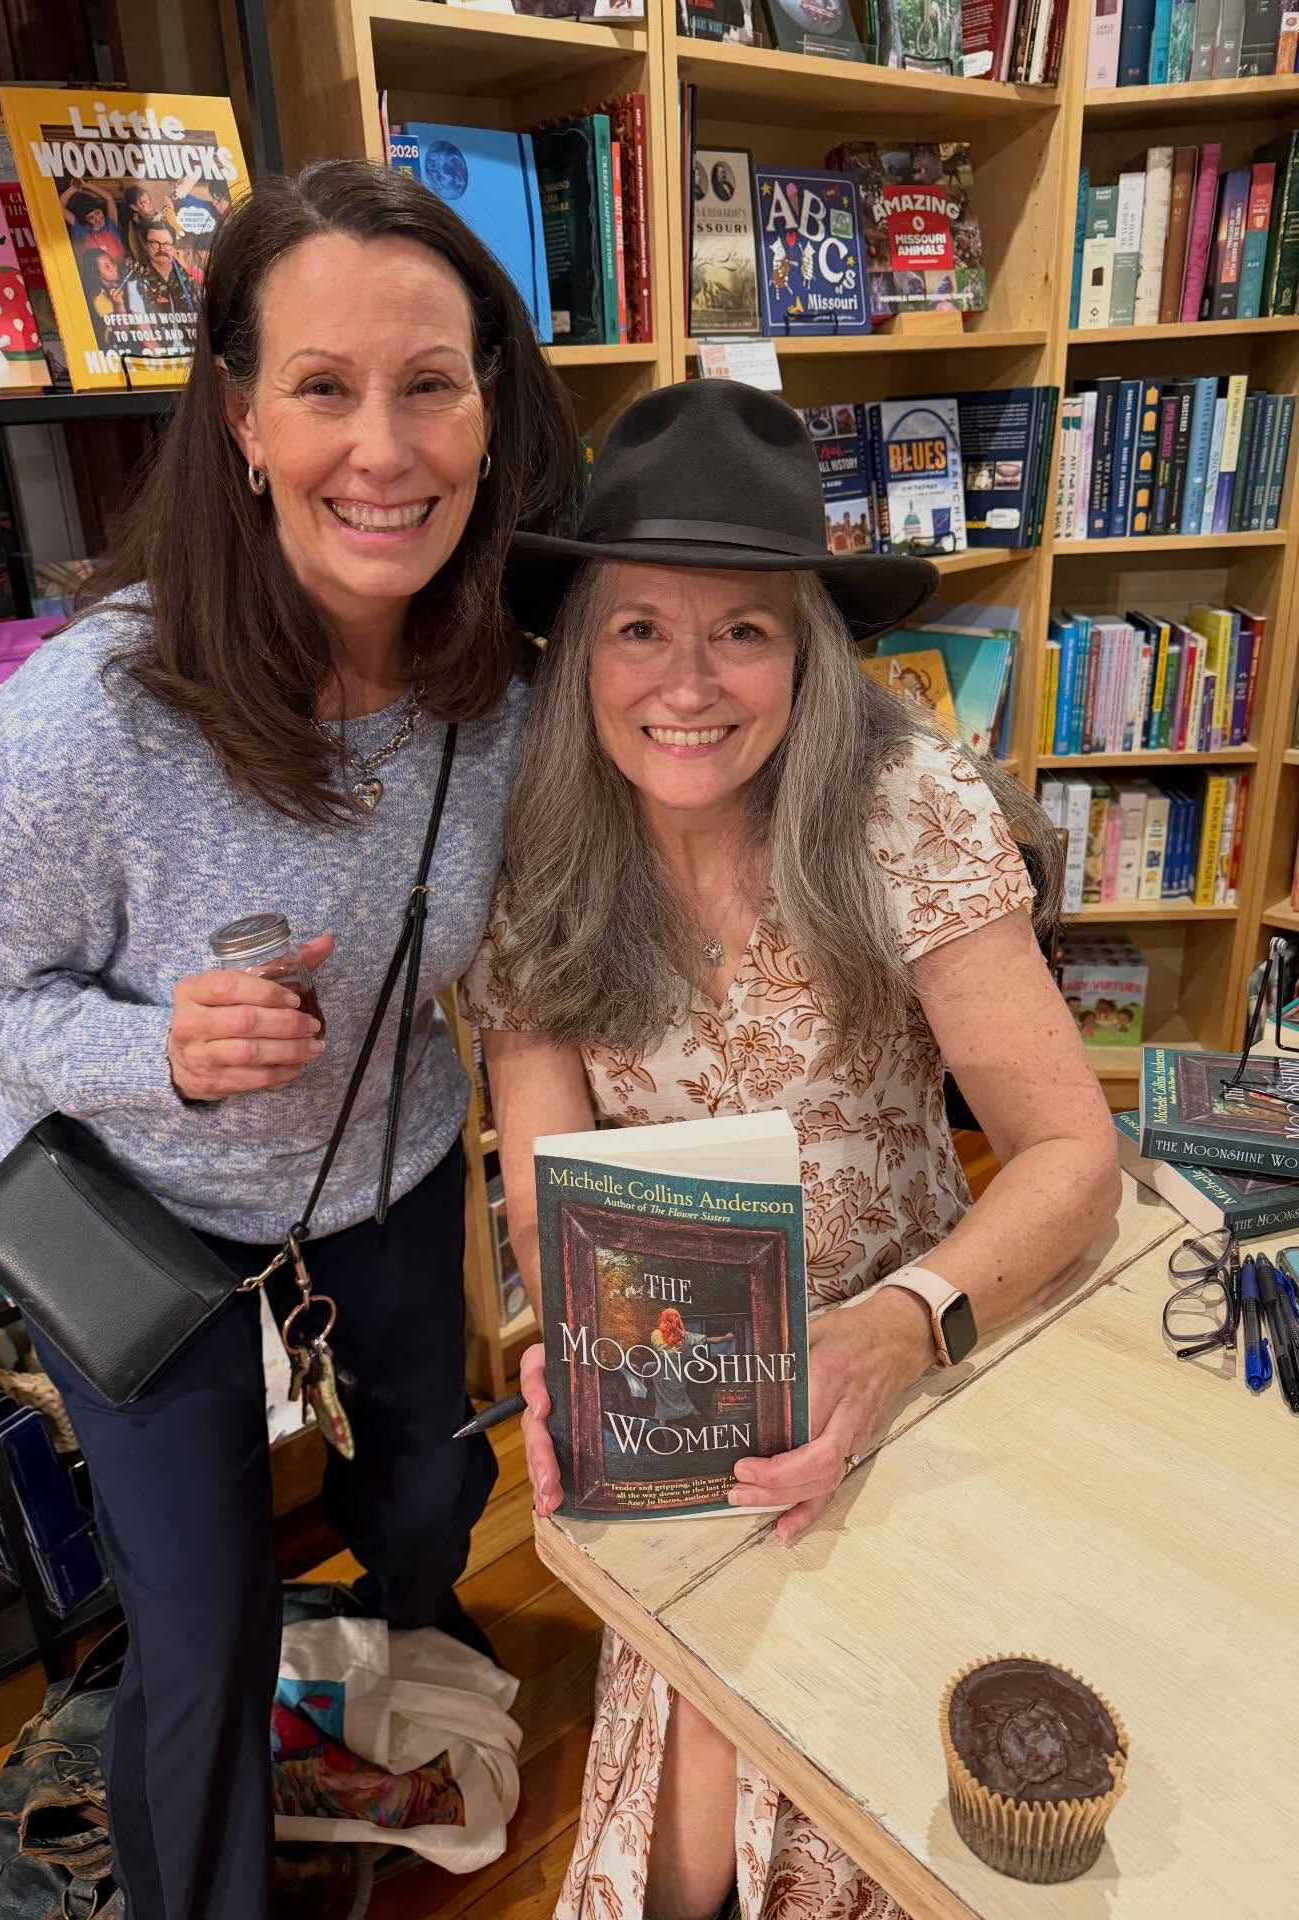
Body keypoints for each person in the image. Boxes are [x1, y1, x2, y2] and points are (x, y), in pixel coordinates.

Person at [0, 157, 574, 1920]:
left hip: (382, 1163)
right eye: (325, 388)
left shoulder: (504, 683)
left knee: (426, 1504)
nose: (386, 447)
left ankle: (398, 1673)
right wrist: (161, 1051)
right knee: (196, 1626)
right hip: (133, 1209)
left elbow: (518, 943)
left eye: (430, 383)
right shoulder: (88, 720)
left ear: (490, 408)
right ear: (239, 418)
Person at [462, 380, 1121, 1920]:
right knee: (699, 1745)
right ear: (578, 656)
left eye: (742, 631)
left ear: (807, 651)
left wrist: (896, 1335)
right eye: (639, 628)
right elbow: (556, 1207)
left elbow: (1071, 1155)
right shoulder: (536, 855)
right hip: (681, 1393)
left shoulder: (904, 809)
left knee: (885, 1791)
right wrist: (577, 1365)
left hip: (935, 1352)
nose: (687, 682)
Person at [120, 217, 201, 355]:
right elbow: (144, 330)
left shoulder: (187, 274)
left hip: (196, 355)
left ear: (174, 246)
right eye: (155, 243)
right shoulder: (136, 279)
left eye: (167, 244)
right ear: (145, 245)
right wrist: (162, 360)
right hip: (162, 357)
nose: (162, 249)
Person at [60, 180, 126, 268]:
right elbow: (60, 207)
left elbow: (109, 197)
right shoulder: (81, 229)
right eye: (91, 217)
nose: (97, 218)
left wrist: (85, 184)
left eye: (98, 213)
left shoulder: (110, 224)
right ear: (85, 220)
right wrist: (73, 188)